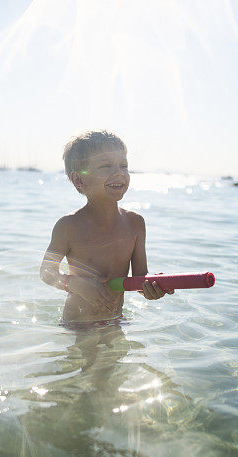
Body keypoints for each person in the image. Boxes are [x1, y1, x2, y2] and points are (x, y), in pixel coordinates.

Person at [40, 130, 172, 326]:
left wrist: (153, 286)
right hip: (78, 324)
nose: (119, 172)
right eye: (105, 166)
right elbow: (47, 272)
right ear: (79, 180)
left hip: (115, 320)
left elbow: (139, 278)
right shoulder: (69, 226)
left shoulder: (135, 224)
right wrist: (76, 284)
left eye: (123, 165)